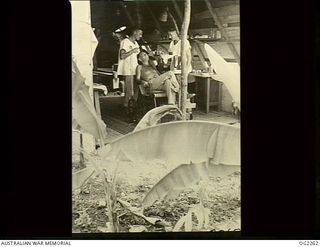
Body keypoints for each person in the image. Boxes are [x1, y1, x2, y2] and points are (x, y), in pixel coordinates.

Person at [117, 27, 143, 109]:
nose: (141, 36)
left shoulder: (135, 43)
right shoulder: (125, 42)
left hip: (135, 69)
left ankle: (133, 106)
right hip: (128, 69)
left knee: (136, 89)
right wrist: (132, 51)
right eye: (140, 34)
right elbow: (122, 56)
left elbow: (138, 56)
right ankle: (126, 106)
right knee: (129, 90)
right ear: (135, 32)